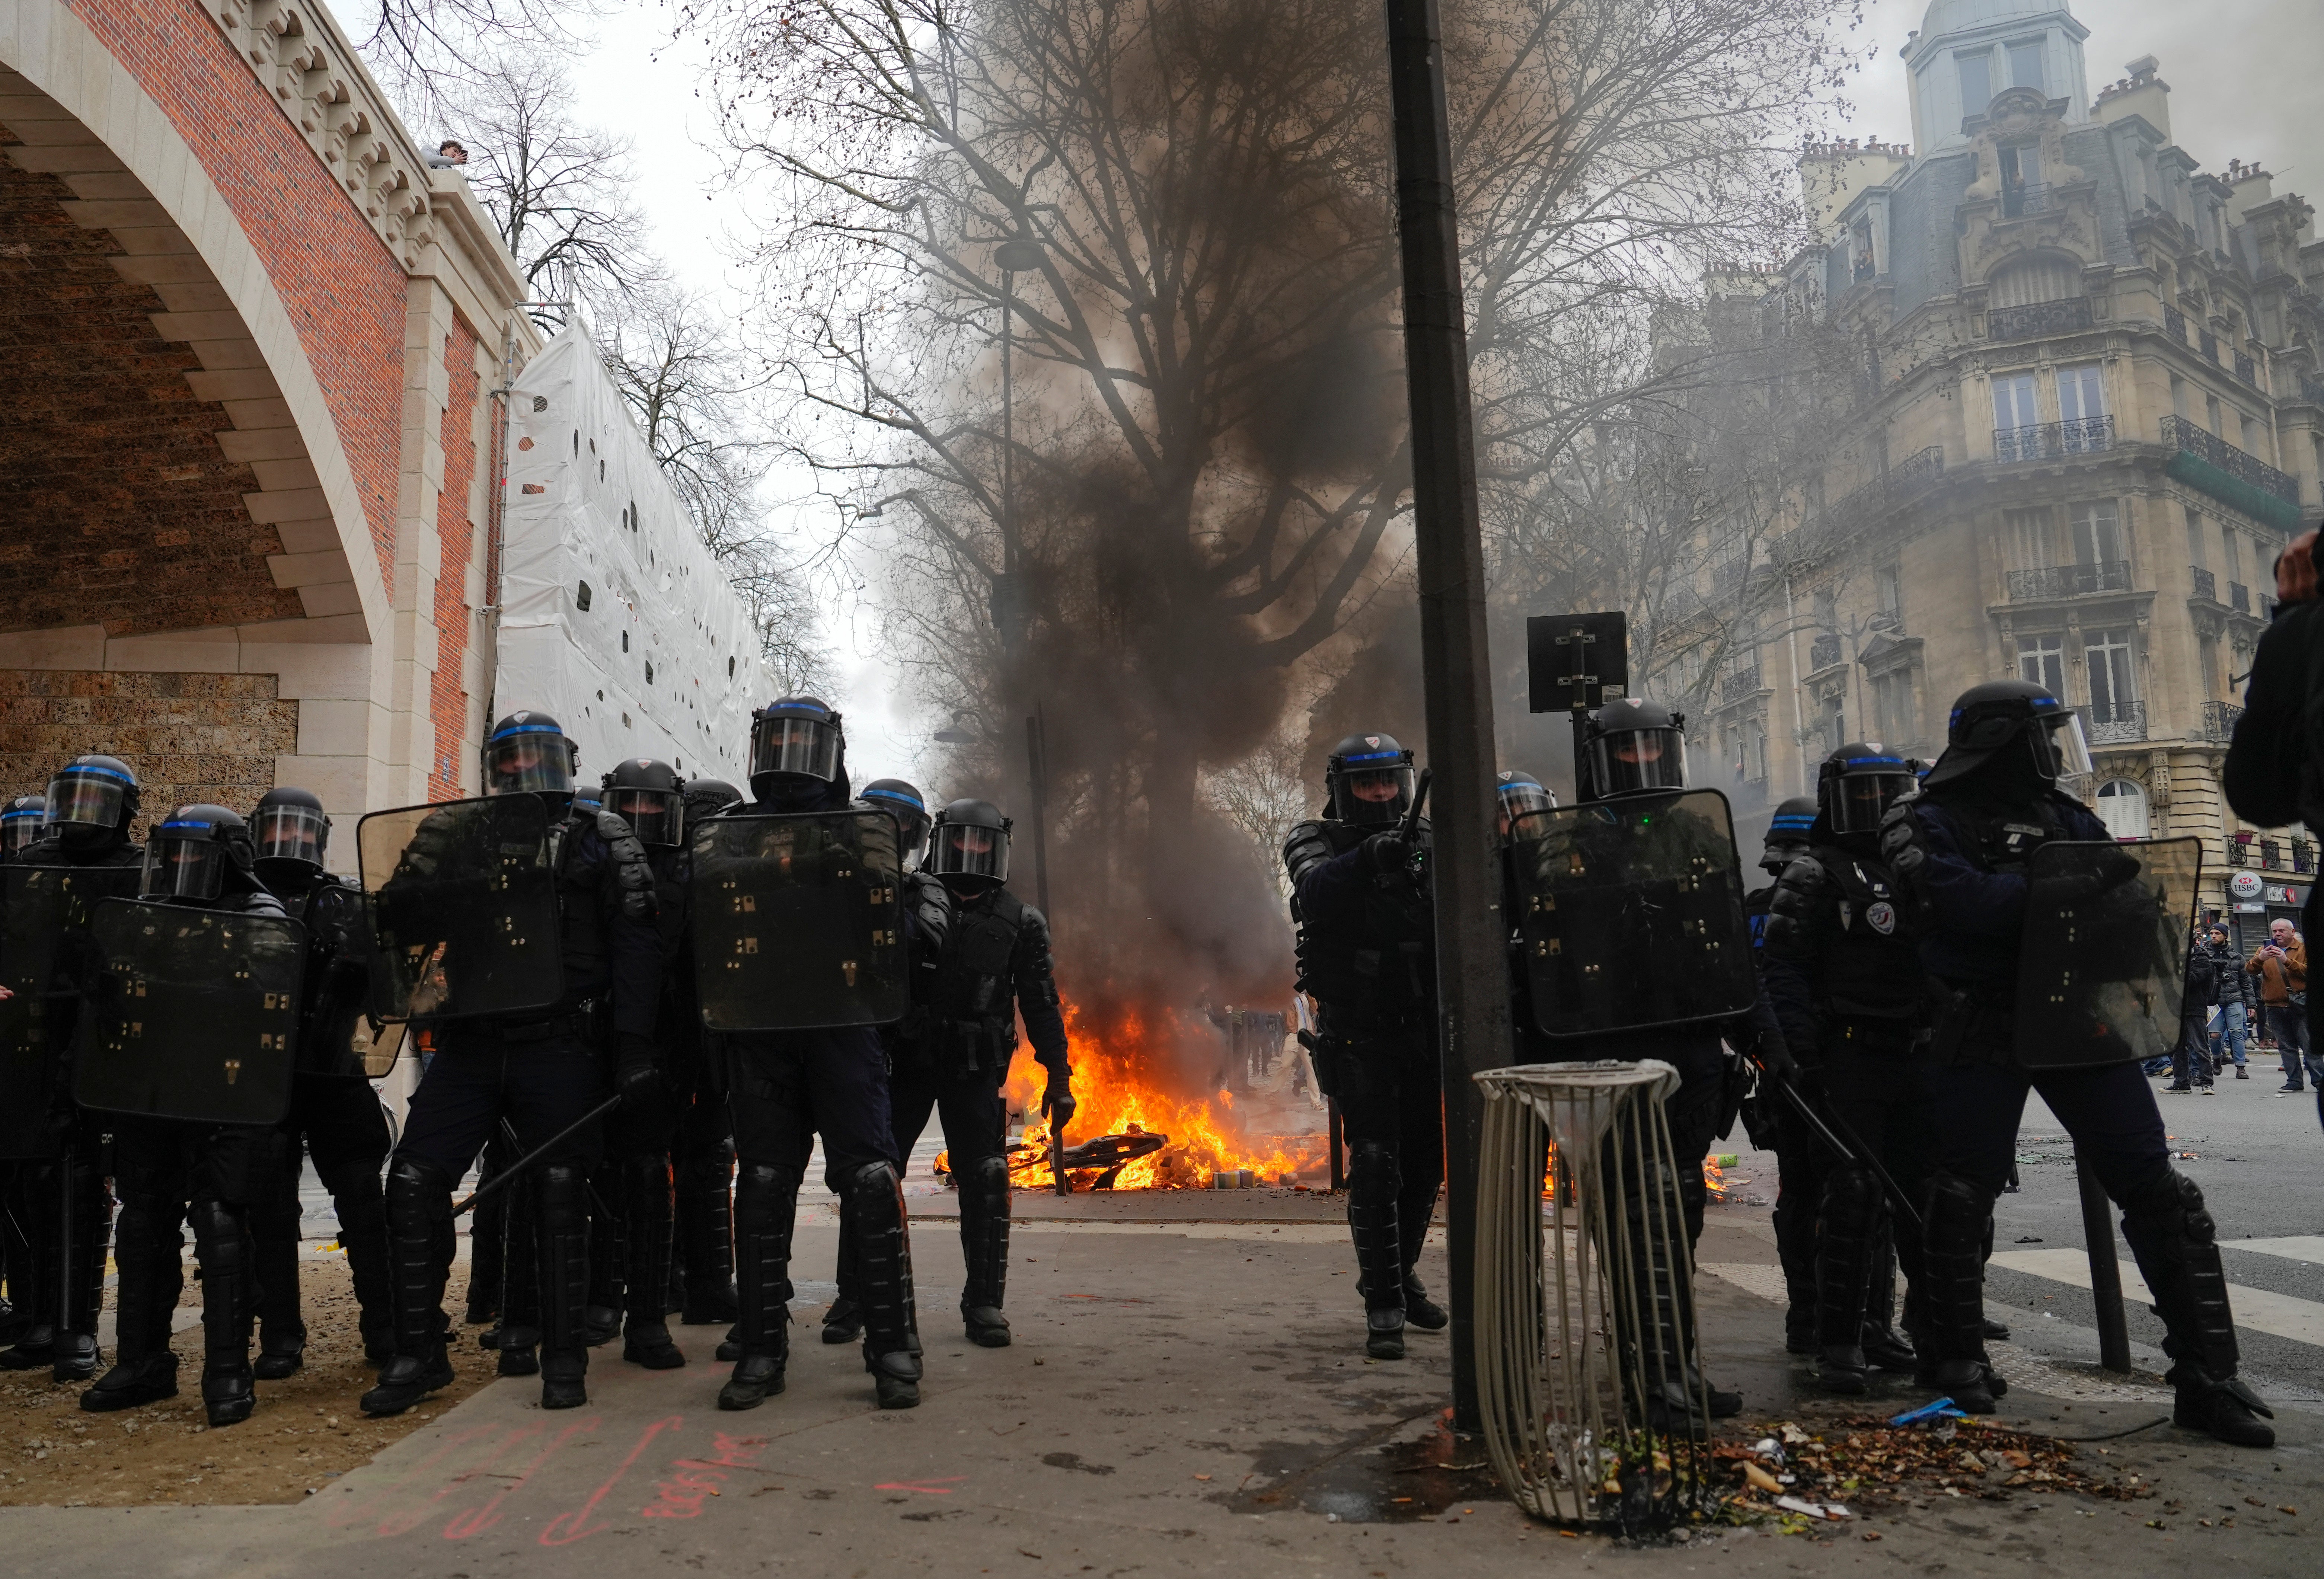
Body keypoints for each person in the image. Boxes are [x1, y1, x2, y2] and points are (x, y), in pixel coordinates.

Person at [1883, 679, 2274, 1445]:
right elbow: (1955, 906)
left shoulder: (2065, 816)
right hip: (1982, 1022)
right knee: (1959, 1196)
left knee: (2160, 1192)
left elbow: (2131, 909)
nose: (2054, 751)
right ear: (2002, 739)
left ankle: (2206, 1377)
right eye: (2042, 736)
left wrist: (2066, 895)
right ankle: (1952, 1357)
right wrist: (2059, 890)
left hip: (2074, 1020)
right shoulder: (1923, 819)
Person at [361, 710, 662, 1417]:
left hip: (560, 1042)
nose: (527, 770)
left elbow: (637, 949)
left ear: (565, 759)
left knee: (560, 1190)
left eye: (540, 756)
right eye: (513, 759)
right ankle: (418, 1351)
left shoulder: (601, 837)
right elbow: (401, 922)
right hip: (472, 1042)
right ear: (495, 769)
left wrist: (633, 1047)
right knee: (412, 1179)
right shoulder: (457, 834)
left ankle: (564, 1356)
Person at [714, 698, 924, 1411]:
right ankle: (761, 1349)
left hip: (842, 1028)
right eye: (780, 739)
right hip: (762, 1035)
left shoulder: (860, 834)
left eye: (807, 741)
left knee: (869, 1179)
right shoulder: (733, 834)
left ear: (833, 752)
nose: (791, 756)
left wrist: (857, 864)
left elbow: (897, 937)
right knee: (764, 1184)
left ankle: (892, 1345)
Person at [82, 805, 290, 1425]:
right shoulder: (147, 917)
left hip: (225, 1093)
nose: (179, 866)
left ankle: (228, 1369)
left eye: (194, 855)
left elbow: (265, 989)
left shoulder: (261, 915)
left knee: (221, 1221)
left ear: (228, 858)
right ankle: (143, 1362)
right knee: (144, 1222)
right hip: (157, 1088)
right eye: (171, 853)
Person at [1760, 746, 1927, 1394]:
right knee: (1851, 1198)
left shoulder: (1918, 868)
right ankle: (1838, 1342)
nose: (1880, 804)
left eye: (1891, 790)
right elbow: (1782, 970)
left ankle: (1933, 1338)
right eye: (1865, 793)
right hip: (1847, 1054)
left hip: (1914, 1052)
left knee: (1926, 1200)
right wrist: (1801, 1056)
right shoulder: (1813, 872)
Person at [879, 797, 1071, 1349]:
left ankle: (984, 1302)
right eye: (962, 838)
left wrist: (1059, 1077)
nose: (971, 849)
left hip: (973, 1070)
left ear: (999, 848)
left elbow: (1041, 1004)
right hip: (909, 1064)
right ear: (943, 840)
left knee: (986, 1178)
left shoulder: (1020, 920)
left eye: (983, 841)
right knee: (876, 1176)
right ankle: (856, 1293)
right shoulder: (907, 898)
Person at [1285, 732, 1444, 1361]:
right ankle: (1382, 1305)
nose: (1378, 792)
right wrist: (1368, 857)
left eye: (1386, 781)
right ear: (1341, 789)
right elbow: (1313, 890)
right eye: (1364, 783)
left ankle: (1396, 1273)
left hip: (1423, 1024)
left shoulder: (1429, 838)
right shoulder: (1313, 837)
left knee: (1427, 1163)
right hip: (1358, 1029)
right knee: (1375, 1159)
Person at [244, 787, 396, 1378]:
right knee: (271, 1206)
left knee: (362, 1196)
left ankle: (383, 1324)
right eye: (277, 826)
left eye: (299, 827)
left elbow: (385, 989)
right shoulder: (239, 900)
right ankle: (280, 1333)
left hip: (333, 1068)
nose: (288, 838)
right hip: (264, 1073)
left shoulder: (345, 904)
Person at [0, 755, 143, 1381]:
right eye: (74, 795)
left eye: (96, 798)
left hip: (101, 1037)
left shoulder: (139, 870)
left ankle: (78, 1328)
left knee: (85, 1184)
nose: (82, 810)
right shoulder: (32, 864)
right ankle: (36, 1318)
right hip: (34, 1033)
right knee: (32, 1179)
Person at [1746, 794, 1820, 1354]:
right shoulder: (1817, 903)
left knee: (1800, 1193)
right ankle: (1842, 1321)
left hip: (1778, 1071)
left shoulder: (1752, 908)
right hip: (1814, 1066)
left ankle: (1810, 1316)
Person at [2244, 920, 2313, 1094]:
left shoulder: (2304, 949)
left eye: (2281, 931)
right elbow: (2249, 970)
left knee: (2309, 1046)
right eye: (2274, 931)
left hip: (2300, 1005)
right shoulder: (2263, 950)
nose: (2277, 934)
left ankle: (2319, 1081)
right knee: (2286, 1047)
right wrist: (2260, 959)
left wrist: (2286, 961)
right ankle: (2294, 1082)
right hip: (2274, 1006)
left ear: (2292, 932)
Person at [2167, 933, 2219, 1094]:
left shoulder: (2201, 959)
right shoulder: (2173, 958)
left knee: (2200, 1047)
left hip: (2195, 1009)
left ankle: (2206, 1083)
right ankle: (2181, 1083)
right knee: (2178, 1048)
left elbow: (2193, 978)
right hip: (2177, 1010)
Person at [2206, 927, 2251, 1079]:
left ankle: (2241, 1067)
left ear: (2225, 936)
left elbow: (2246, 982)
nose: (2213, 936)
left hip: (2234, 999)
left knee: (2237, 1032)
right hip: (2213, 1001)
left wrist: (2251, 1005)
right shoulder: (2204, 954)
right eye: (2212, 934)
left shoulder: (2237, 957)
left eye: (2217, 934)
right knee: (2214, 1034)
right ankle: (2217, 1058)